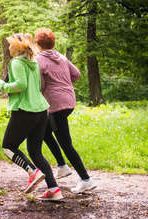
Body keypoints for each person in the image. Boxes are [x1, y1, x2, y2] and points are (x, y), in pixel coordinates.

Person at [0, 33, 63, 201]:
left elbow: (21, 85)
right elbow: (37, 85)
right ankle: (54, 190)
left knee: (8, 147)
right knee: (35, 152)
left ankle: (32, 172)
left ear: (18, 47)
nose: (9, 48)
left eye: (10, 45)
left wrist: (3, 85)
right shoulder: (33, 62)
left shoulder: (16, 62)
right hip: (41, 111)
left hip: (25, 110)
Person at [34, 28, 96, 194]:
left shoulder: (39, 60)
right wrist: (64, 84)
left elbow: (40, 86)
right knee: (45, 131)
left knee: (66, 144)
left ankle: (85, 179)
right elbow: (76, 74)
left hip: (56, 105)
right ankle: (61, 165)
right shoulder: (61, 57)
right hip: (69, 101)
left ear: (38, 44)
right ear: (53, 43)